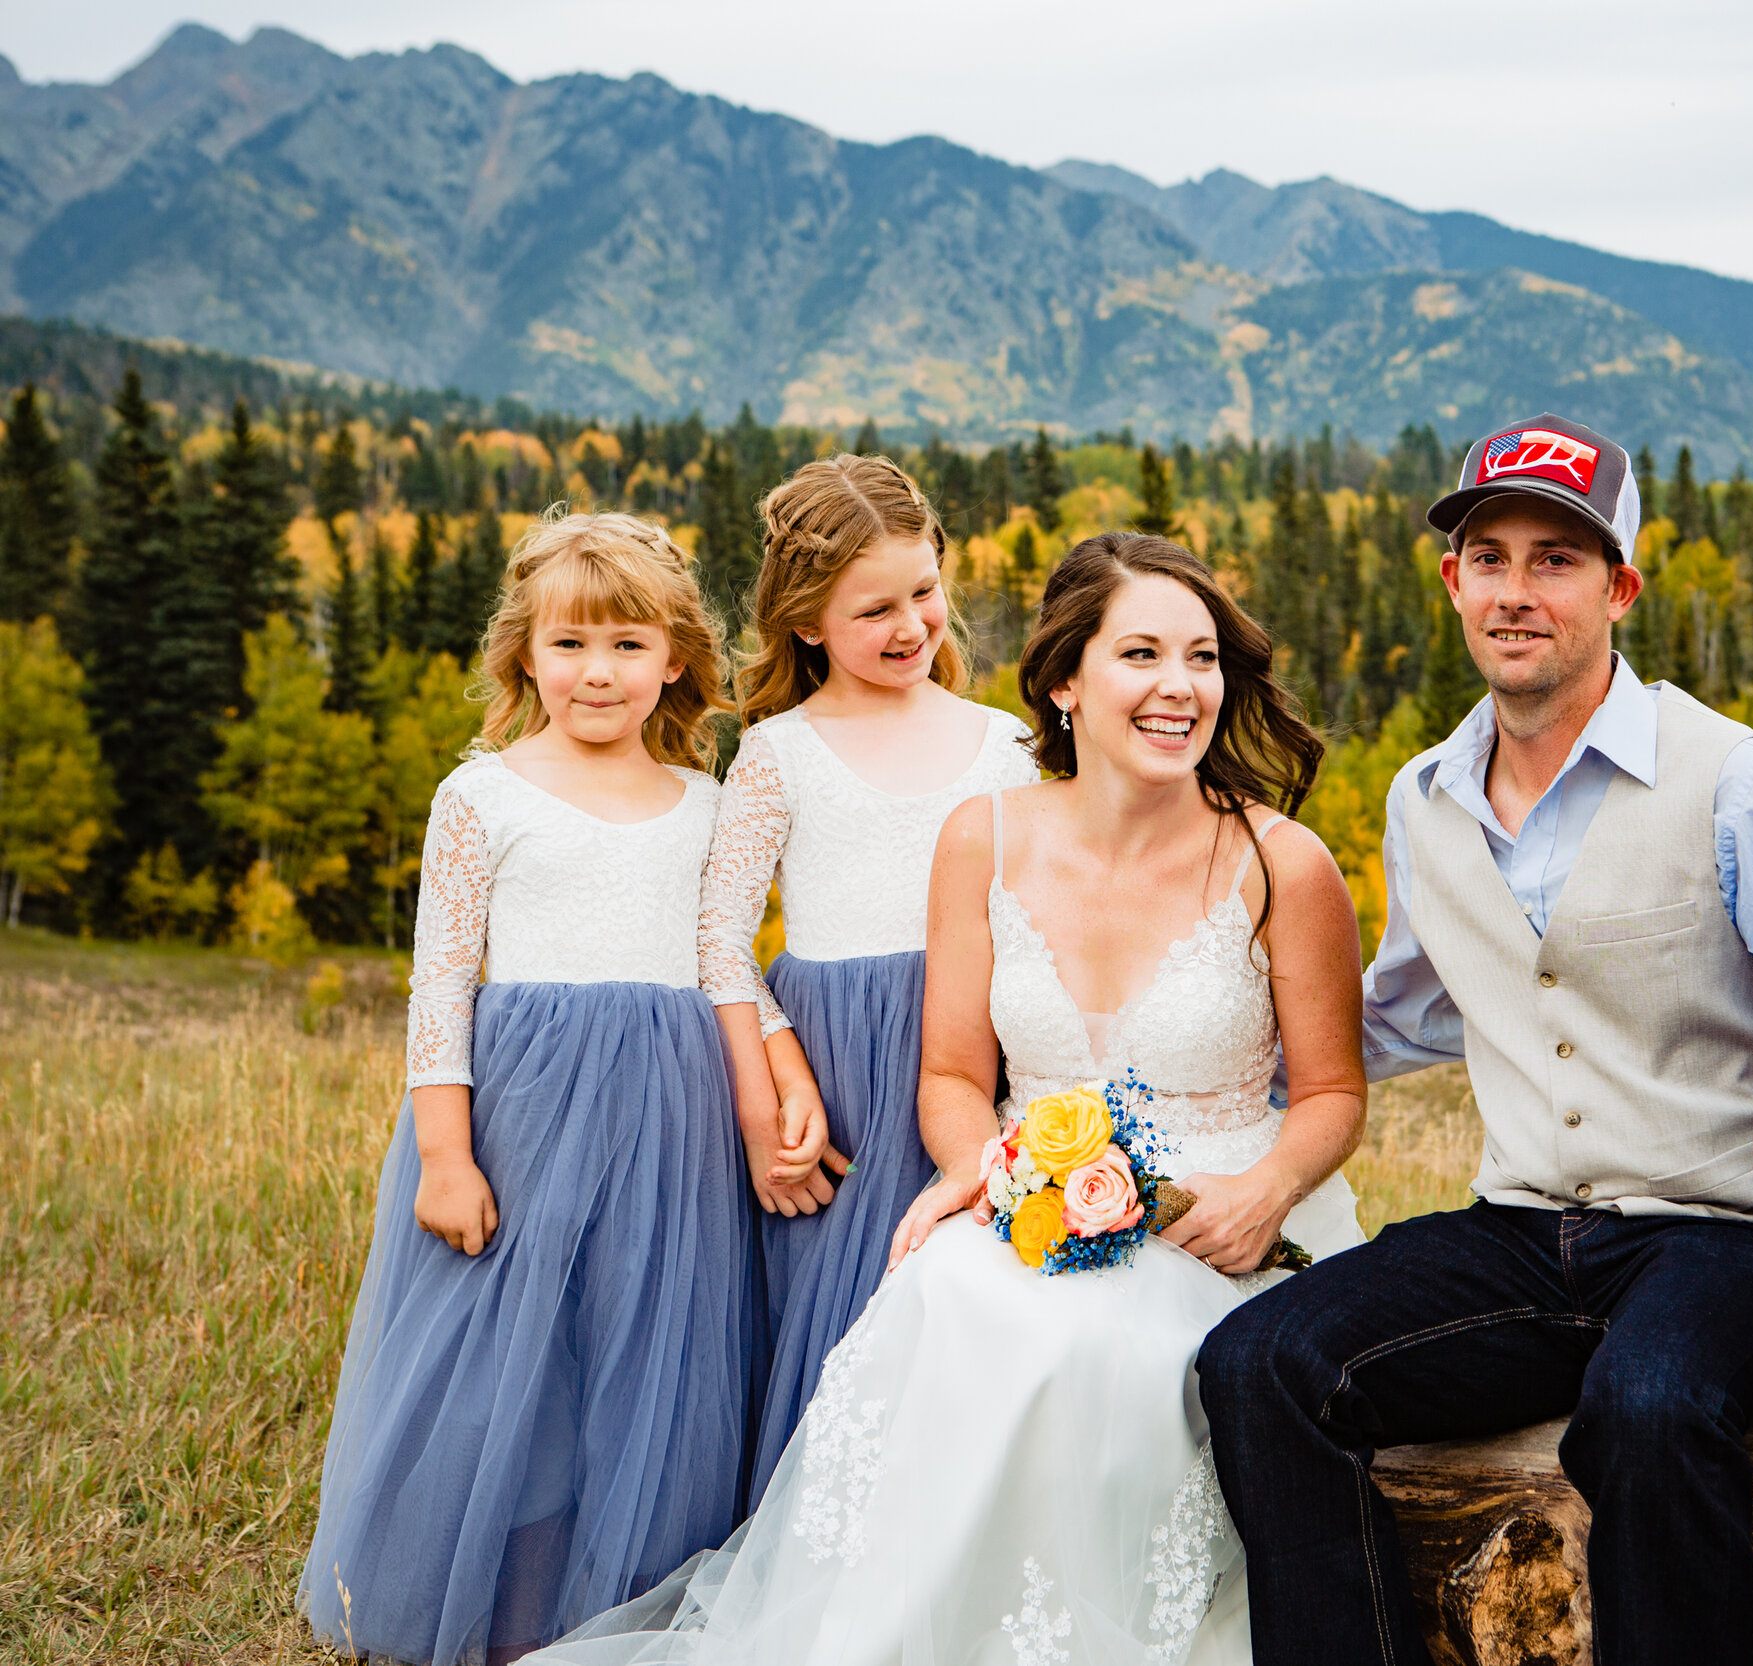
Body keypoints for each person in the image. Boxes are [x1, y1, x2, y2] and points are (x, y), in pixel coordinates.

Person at [1199, 413, 1753, 1666]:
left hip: (1727, 1238)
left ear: (1618, 587)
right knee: (1259, 1363)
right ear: (1452, 579)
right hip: (1518, 1233)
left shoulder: (1741, 783)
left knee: (1648, 1405)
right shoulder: (1423, 798)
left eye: (1556, 561)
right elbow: (1397, 1011)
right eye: (1491, 557)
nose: (1517, 591)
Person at [522, 533, 1367, 1666]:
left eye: (1203, 657)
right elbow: (957, 1079)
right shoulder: (987, 836)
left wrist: (1265, 1189)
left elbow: (1332, 1092)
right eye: (1142, 654)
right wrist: (982, 1169)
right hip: (1033, 1190)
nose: (1180, 686)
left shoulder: (1283, 862)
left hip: (1233, 1214)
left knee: (1097, 1354)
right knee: (953, 1299)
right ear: (1066, 682)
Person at [298, 513, 760, 1666]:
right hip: (524, 1117)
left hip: (671, 1120)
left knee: (636, 1351)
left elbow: (723, 967)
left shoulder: (707, 803)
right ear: (524, 656)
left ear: (675, 659)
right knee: (513, 1361)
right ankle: (486, 1612)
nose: (597, 673)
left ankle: (600, 1618)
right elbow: (440, 988)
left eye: (626, 645)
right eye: (569, 645)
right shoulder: (482, 797)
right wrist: (447, 1155)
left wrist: (765, 1095)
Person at [697, 454, 1040, 1499]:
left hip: (977, 1052)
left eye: (924, 593)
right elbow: (716, 937)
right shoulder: (779, 754)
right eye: (872, 609)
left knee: (971, 1290)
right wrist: (777, 1087)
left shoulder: (1005, 745)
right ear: (806, 623)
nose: (910, 626)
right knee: (842, 1312)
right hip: (839, 1068)